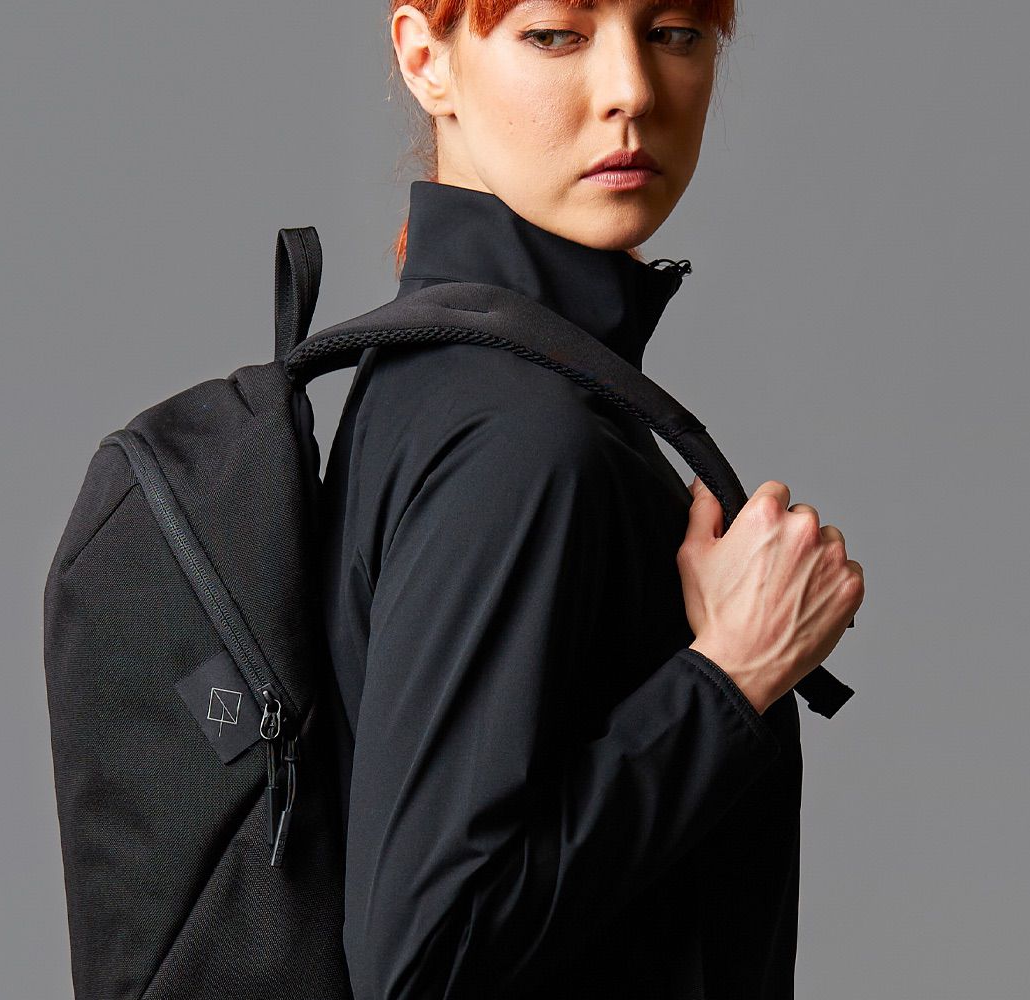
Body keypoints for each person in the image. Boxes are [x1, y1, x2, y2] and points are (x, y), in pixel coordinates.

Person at [318, 2, 864, 997]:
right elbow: (425, 959)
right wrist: (731, 676)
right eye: (556, 35)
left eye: (673, 33)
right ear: (426, 57)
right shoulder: (518, 433)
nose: (632, 92)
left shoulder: (460, 378)